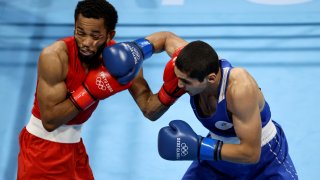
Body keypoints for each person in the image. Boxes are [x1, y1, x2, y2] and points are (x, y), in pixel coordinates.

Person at [17, 0, 163, 179]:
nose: (86, 42)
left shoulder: (119, 59)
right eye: (80, 33)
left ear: (110, 35)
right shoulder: (54, 56)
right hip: (41, 152)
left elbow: (149, 109)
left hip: (75, 148)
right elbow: (49, 121)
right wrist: (90, 92)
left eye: (95, 36)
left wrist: (174, 89)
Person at [146, 32, 299, 179]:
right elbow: (166, 38)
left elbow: (251, 153)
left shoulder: (239, 89)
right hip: (218, 159)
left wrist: (199, 147)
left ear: (211, 79)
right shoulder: (191, 64)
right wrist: (138, 50)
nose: (179, 84)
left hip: (264, 161)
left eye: (186, 81)